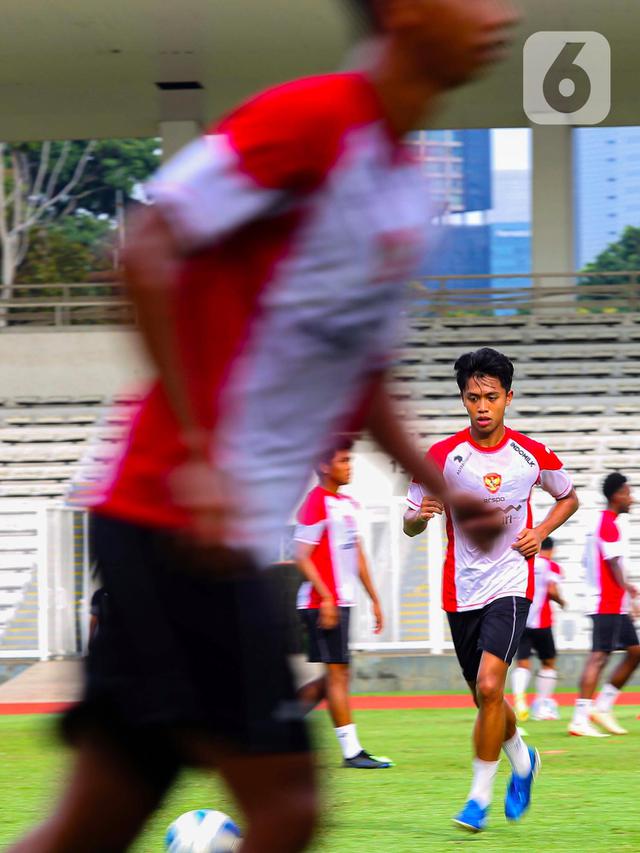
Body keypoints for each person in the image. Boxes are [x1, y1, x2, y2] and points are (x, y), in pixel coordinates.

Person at [9, 4, 518, 851]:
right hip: (181, 518)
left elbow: (361, 380)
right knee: (286, 808)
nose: (502, 14)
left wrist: (446, 492)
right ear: (405, 11)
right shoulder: (311, 120)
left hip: (195, 533)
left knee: (96, 820)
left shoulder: (401, 190)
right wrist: (204, 452)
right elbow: (144, 247)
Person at [403, 348, 578, 833]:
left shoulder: (530, 453)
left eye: (491, 397)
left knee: (489, 686)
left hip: (511, 583)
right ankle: (524, 761)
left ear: (508, 398)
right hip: (460, 590)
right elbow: (409, 522)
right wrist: (418, 517)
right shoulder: (442, 456)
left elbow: (568, 496)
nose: (482, 406)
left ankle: (477, 800)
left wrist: (540, 532)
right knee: (488, 702)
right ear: (463, 400)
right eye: (473, 397)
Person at [295, 438, 391, 769]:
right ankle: (352, 753)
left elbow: (358, 555)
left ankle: (272, 727)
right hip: (321, 603)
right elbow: (301, 556)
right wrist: (325, 597)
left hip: (340, 601)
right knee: (338, 674)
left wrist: (375, 599)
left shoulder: (348, 504)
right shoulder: (315, 502)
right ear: (324, 466)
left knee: (332, 677)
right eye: (344, 460)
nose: (350, 465)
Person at [569, 472, 640, 737]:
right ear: (616, 496)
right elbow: (611, 563)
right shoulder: (607, 523)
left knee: (635, 652)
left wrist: (627, 591)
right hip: (606, 601)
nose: (631, 498)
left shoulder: (606, 523)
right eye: (628, 493)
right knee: (599, 656)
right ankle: (579, 718)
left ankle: (602, 706)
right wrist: (628, 592)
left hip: (613, 601)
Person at [511, 537, 565, 722]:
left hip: (522, 621)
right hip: (542, 622)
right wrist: (562, 601)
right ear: (552, 549)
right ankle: (542, 705)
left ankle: (519, 698)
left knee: (523, 663)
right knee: (548, 662)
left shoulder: (523, 562)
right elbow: (551, 590)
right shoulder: (551, 566)